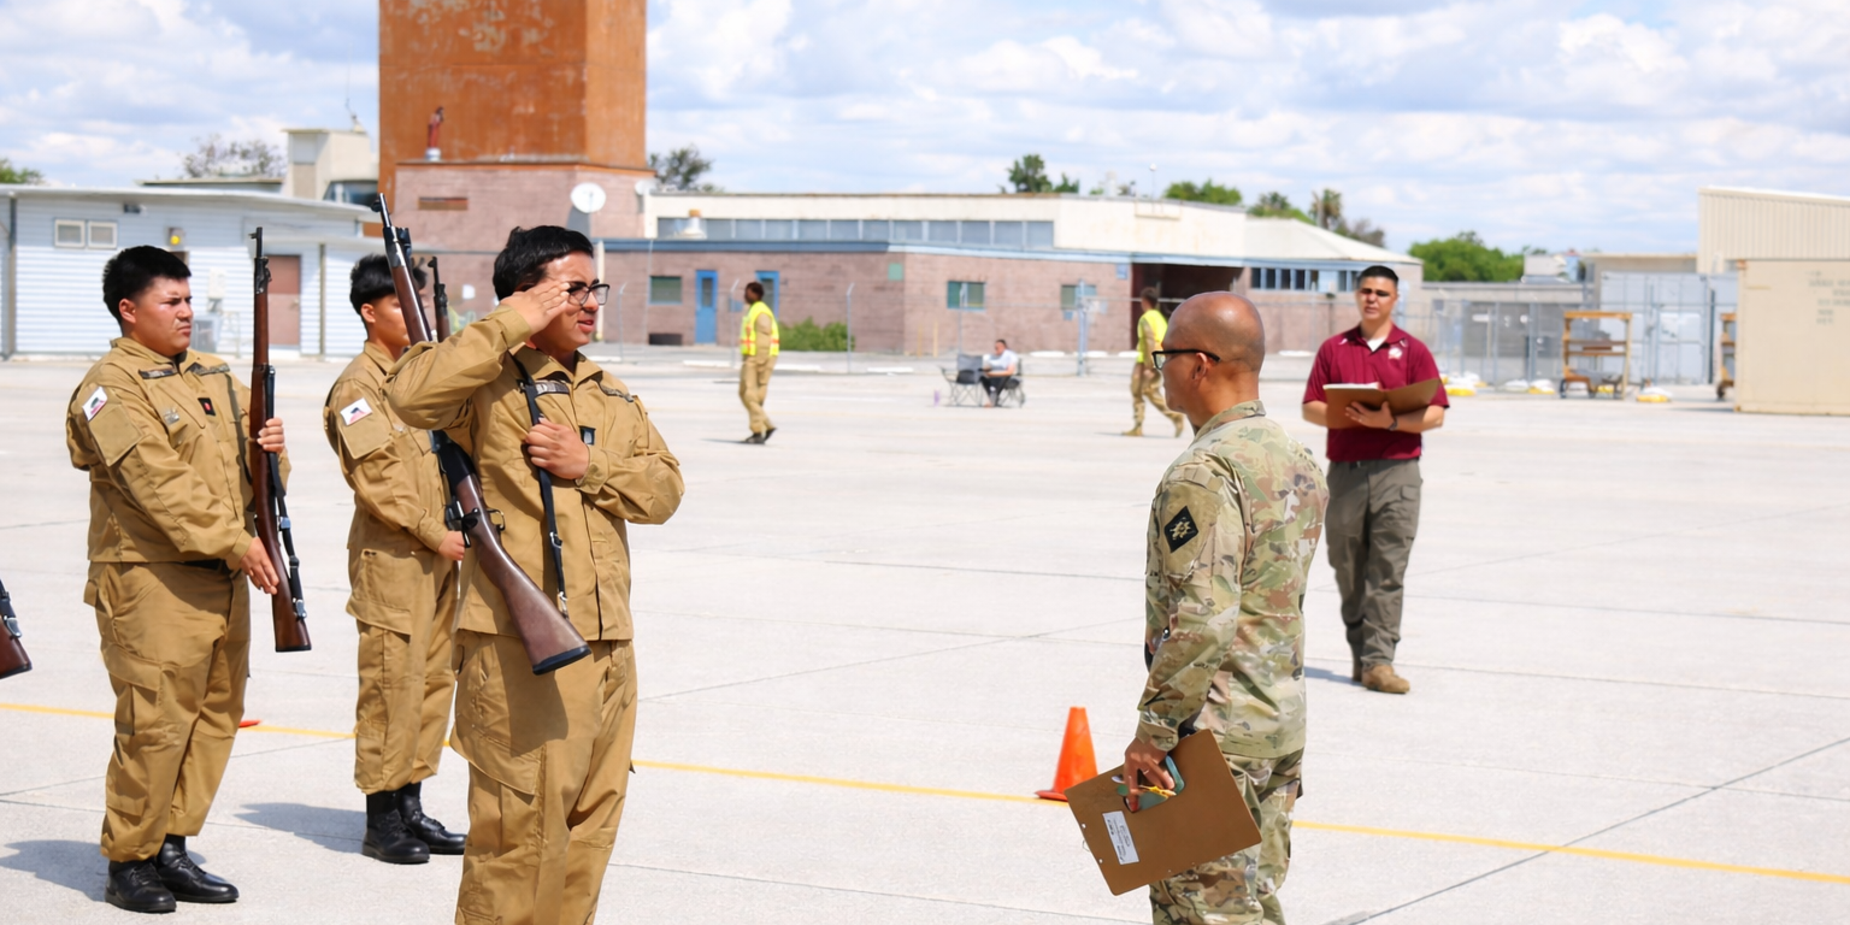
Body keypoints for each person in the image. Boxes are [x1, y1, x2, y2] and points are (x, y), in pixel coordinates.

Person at [388, 226, 684, 925]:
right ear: (527, 295)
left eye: (594, 288)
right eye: (570, 289)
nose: (589, 303)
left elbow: (665, 489)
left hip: (607, 644)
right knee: (519, 840)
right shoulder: (483, 382)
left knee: (588, 831)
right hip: (521, 649)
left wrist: (592, 468)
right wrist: (511, 318)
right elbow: (408, 395)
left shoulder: (607, 391)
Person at [66, 245, 288, 913]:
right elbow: (156, 483)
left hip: (222, 571)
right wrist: (236, 540)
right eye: (173, 302)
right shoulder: (109, 388)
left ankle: (171, 843)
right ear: (130, 311)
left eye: (190, 300)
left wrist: (274, 447)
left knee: (213, 720)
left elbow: (256, 471)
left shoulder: (214, 374)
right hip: (152, 581)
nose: (189, 313)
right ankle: (127, 858)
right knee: (156, 725)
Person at [1121, 292, 1327, 925]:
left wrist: (1154, 734)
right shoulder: (1294, 459)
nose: (1160, 367)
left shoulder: (1204, 472)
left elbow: (1204, 615)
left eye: (1167, 355)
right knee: (1254, 906)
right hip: (1275, 725)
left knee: (1203, 914)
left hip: (1214, 741)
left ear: (1200, 364)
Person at [321, 255, 467, 866]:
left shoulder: (421, 378)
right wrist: (436, 533)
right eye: (401, 304)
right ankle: (381, 817)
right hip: (396, 557)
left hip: (440, 554)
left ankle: (411, 802)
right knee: (391, 686)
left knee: (432, 682)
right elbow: (377, 480)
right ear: (369, 312)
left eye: (419, 301)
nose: (415, 314)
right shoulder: (361, 387)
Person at [1300, 265, 1447, 695]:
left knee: (1387, 567)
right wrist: (1347, 416)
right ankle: (1361, 653)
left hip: (1397, 472)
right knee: (1347, 567)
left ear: (1394, 300)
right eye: (1365, 291)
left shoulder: (1414, 351)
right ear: (1356, 296)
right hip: (1346, 473)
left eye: (1381, 293)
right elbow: (1310, 406)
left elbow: (1435, 414)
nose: (1372, 299)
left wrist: (1389, 421)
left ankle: (1380, 662)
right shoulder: (1335, 348)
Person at [1126, 287, 1185, 437]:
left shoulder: (1146, 318)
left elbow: (1150, 341)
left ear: (1144, 302)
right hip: (1155, 358)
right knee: (1138, 391)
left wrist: (1148, 365)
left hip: (1146, 361)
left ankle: (1175, 416)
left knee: (1147, 391)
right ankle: (1138, 426)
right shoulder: (1159, 318)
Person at [738, 281, 779, 443]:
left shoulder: (761, 312)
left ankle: (764, 427)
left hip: (757, 358)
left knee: (749, 394)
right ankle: (759, 430)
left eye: (747, 293)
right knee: (748, 394)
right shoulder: (753, 310)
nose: (745, 296)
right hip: (752, 357)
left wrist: (760, 361)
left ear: (755, 294)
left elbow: (764, 337)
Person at [979, 338, 1019, 406]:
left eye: (1000, 347)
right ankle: (994, 399)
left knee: (999, 378)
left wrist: (997, 374)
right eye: (996, 347)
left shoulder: (1010, 355)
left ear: (1004, 347)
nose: (997, 348)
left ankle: (992, 400)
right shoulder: (991, 356)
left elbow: (1010, 371)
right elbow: (988, 367)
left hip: (1006, 377)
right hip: (992, 376)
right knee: (982, 377)